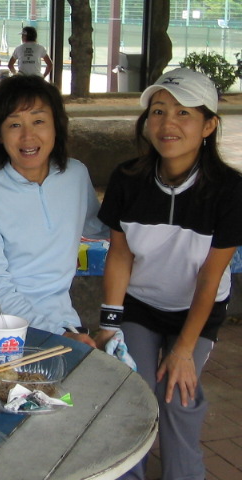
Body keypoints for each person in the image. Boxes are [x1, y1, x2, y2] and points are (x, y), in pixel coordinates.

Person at [96, 68, 242, 480]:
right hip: (140, 306)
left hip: (196, 311)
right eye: (158, 111)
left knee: (178, 395)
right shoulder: (128, 179)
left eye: (183, 113)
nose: (167, 123)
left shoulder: (230, 190)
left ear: (209, 125)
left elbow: (210, 277)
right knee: (132, 391)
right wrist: (109, 324)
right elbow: (120, 255)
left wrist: (183, 350)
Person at [0, 74, 107, 345]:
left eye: (39, 121)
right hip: (1, 330)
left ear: (56, 126)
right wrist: (55, 333)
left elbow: (98, 227)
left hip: (63, 320)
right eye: (14, 124)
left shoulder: (76, 175)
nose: (27, 136)